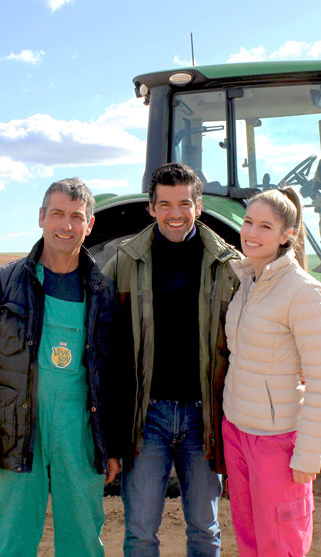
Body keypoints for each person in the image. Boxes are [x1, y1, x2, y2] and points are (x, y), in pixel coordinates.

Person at [0, 178, 122, 556]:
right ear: (41, 218)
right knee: (7, 540)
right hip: (15, 430)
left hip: (77, 432)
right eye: (57, 214)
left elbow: (110, 378)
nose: (66, 225)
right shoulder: (3, 284)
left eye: (76, 217)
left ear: (90, 224)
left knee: (82, 538)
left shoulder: (102, 291)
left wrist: (110, 446)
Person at [103, 162, 239, 556]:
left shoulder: (226, 264)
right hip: (149, 418)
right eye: (165, 204)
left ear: (198, 206)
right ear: (151, 208)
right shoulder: (126, 261)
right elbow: (103, 336)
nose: (175, 214)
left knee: (204, 529)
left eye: (183, 204)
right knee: (141, 532)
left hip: (202, 416)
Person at [221, 187, 321, 556]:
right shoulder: (246, 282)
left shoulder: (303, 291)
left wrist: (308, 455)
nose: (251, 234)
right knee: (250, 536)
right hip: (237, 430)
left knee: (280, 544)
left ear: (287, 235)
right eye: (248, 223)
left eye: (265, 227)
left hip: (276, 440)